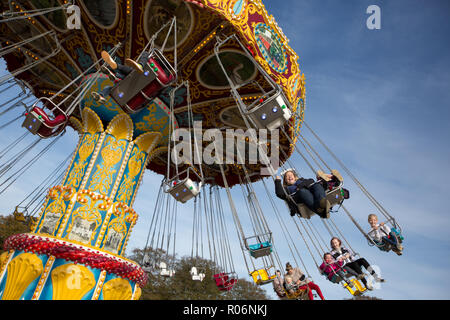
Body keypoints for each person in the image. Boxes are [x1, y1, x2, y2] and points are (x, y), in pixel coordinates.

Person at [274, 169, 343, 219]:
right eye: (287, 176)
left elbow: (311, 182)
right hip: (300, 199)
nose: (289, 177)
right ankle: (321, 210)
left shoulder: (303, 180)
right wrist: (277, 181)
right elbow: (280, 194)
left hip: (313, 193)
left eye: (291, 175)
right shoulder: (287, 189)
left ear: (294, 177)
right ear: (285, 180)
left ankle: (322, 203)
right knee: (302, 191)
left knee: (317, 185)